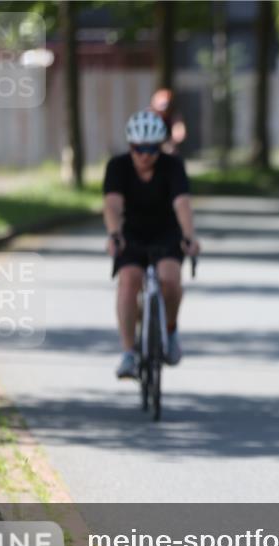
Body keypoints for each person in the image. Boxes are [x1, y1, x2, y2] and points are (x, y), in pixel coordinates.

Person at [104, 110, 200, 379]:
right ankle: (128, 353)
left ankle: (169, 331)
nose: (145, 155)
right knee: (128, 280)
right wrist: (114, 234)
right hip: (131, 233)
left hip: (166, 233)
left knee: (170, 279)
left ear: (160, 147)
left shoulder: (173, 166)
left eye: (151, 149)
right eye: (138, 148)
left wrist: (189, 236)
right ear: (130, 146)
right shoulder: (117, 166)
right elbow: (111, 204)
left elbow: (182, 203)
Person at [150, 88, 188, 155]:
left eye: (164, 105)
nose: (162, 111)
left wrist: (169, 144)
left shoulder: (174, 115)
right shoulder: (148, 116)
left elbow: (179, 134)